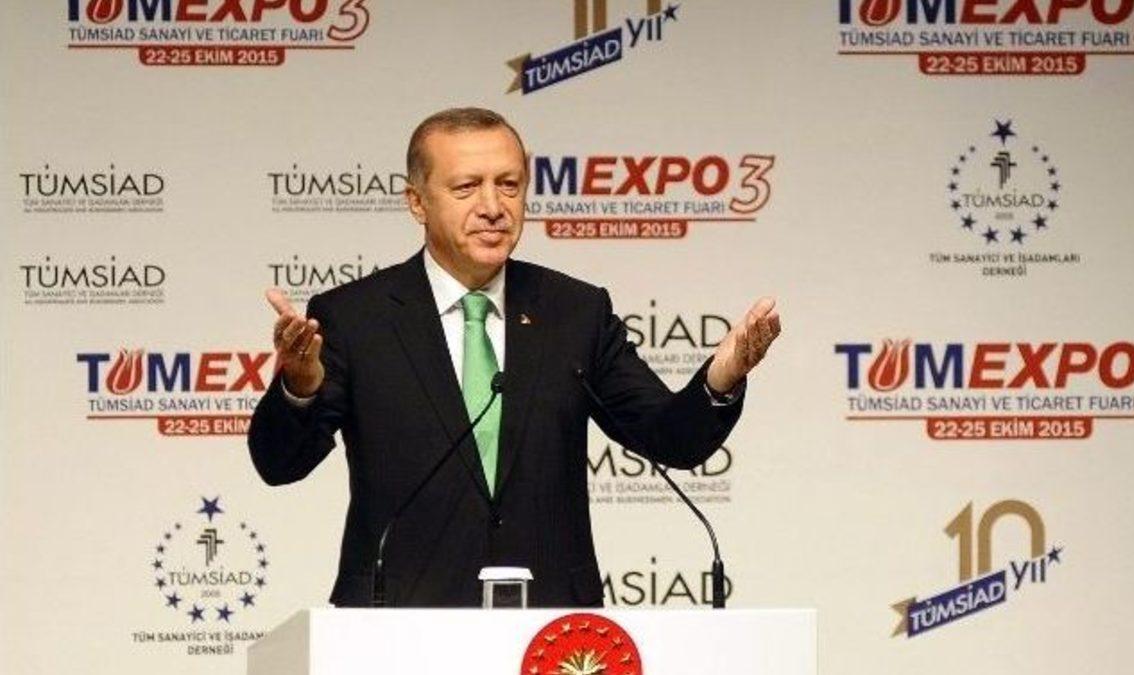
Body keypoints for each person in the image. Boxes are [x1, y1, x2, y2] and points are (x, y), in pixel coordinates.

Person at [248, 107, 781, 607]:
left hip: (551, 626)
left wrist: (722, 377)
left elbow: (670, 438)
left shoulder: (575, 312)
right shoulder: (354, 317)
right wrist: (300, 387)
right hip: (400, 620)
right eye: (466, 187)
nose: (493, 207)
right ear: (417, 202)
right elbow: (279, 464)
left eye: (509, 184)